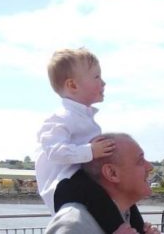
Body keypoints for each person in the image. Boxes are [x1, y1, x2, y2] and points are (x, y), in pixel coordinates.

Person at [35, 48, 114, 213]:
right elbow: (55, 151)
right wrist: (90, 151)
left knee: (118, 190)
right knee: (101, 192)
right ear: (72, 85)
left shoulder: (85, 119)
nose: (103, 82)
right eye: (97, 77)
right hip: (64, 185)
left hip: (81, 182)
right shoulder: (60, 118)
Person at [45, 133, 160, 234]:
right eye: (140, 161)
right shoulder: (73, 224)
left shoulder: (128, 217)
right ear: (112, 173)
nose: (150, 167)